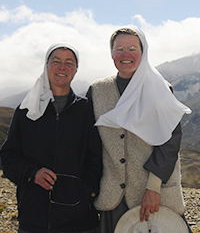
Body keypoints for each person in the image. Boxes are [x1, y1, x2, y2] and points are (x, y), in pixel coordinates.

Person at [86, 27, 192, 233]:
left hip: (155, 195)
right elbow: (92, 144)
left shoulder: (160, 88)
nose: (125, 55)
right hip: (113, 198)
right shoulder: (97, 90)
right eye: (119, 49)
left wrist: (153, 186)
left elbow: (169, 143)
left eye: (132, 48)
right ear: (111, 54)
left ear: (143, 53)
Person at [0, 42, 102, 233]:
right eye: (56, 61)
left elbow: (96, 159)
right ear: (46, 66)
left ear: (76, 69)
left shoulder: (86, 110)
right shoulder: (26, 110)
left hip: (80, 221)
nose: (62, 67)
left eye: (69, 62)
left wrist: (85, 192)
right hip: (34, 219)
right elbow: (8, 157)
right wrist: (32, 173)